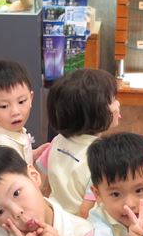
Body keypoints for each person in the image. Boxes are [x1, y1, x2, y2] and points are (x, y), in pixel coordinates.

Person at [36, 68, 121, 218]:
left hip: (54, 217)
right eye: (112, 99)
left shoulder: (57, 141)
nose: (118, 104)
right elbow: (85, 212)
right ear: (94, 112)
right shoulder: (101, 158)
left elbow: (41, 186)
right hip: (78, 227)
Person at [0, 59, 42, 165]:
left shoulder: (10, 130)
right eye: (4, 106)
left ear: (31, 98)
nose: (15, 112)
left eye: (21, 101)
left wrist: (33, 154)